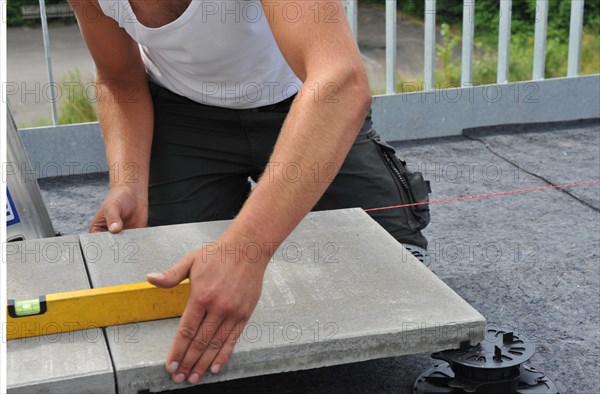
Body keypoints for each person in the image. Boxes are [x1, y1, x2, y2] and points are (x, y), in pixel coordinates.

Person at [69, 0, 430, 385]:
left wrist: (245, 252)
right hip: (185, 117)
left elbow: (340, 81)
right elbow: (118, 77)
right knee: (168, 284)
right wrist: (129, 181)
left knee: (393, 265)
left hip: (306, 104)